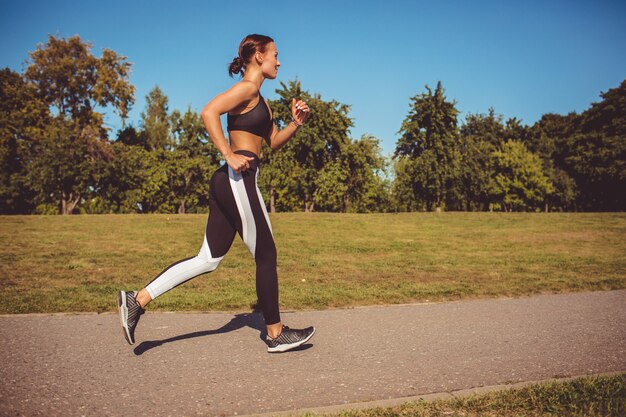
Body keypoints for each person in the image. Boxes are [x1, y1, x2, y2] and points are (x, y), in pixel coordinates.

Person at [117, 34, 315, 353]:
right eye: (275, 55)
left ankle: (136, 300)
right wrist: (228, 153)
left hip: (229, 179)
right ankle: (277, 334)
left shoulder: (260, 100)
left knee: (208, 259)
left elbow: (274, 141)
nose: (279, 61)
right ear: (258, 57)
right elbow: (209, 112)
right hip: (238, 177)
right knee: (266, 253)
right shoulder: (247, 89)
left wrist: (296, 123)